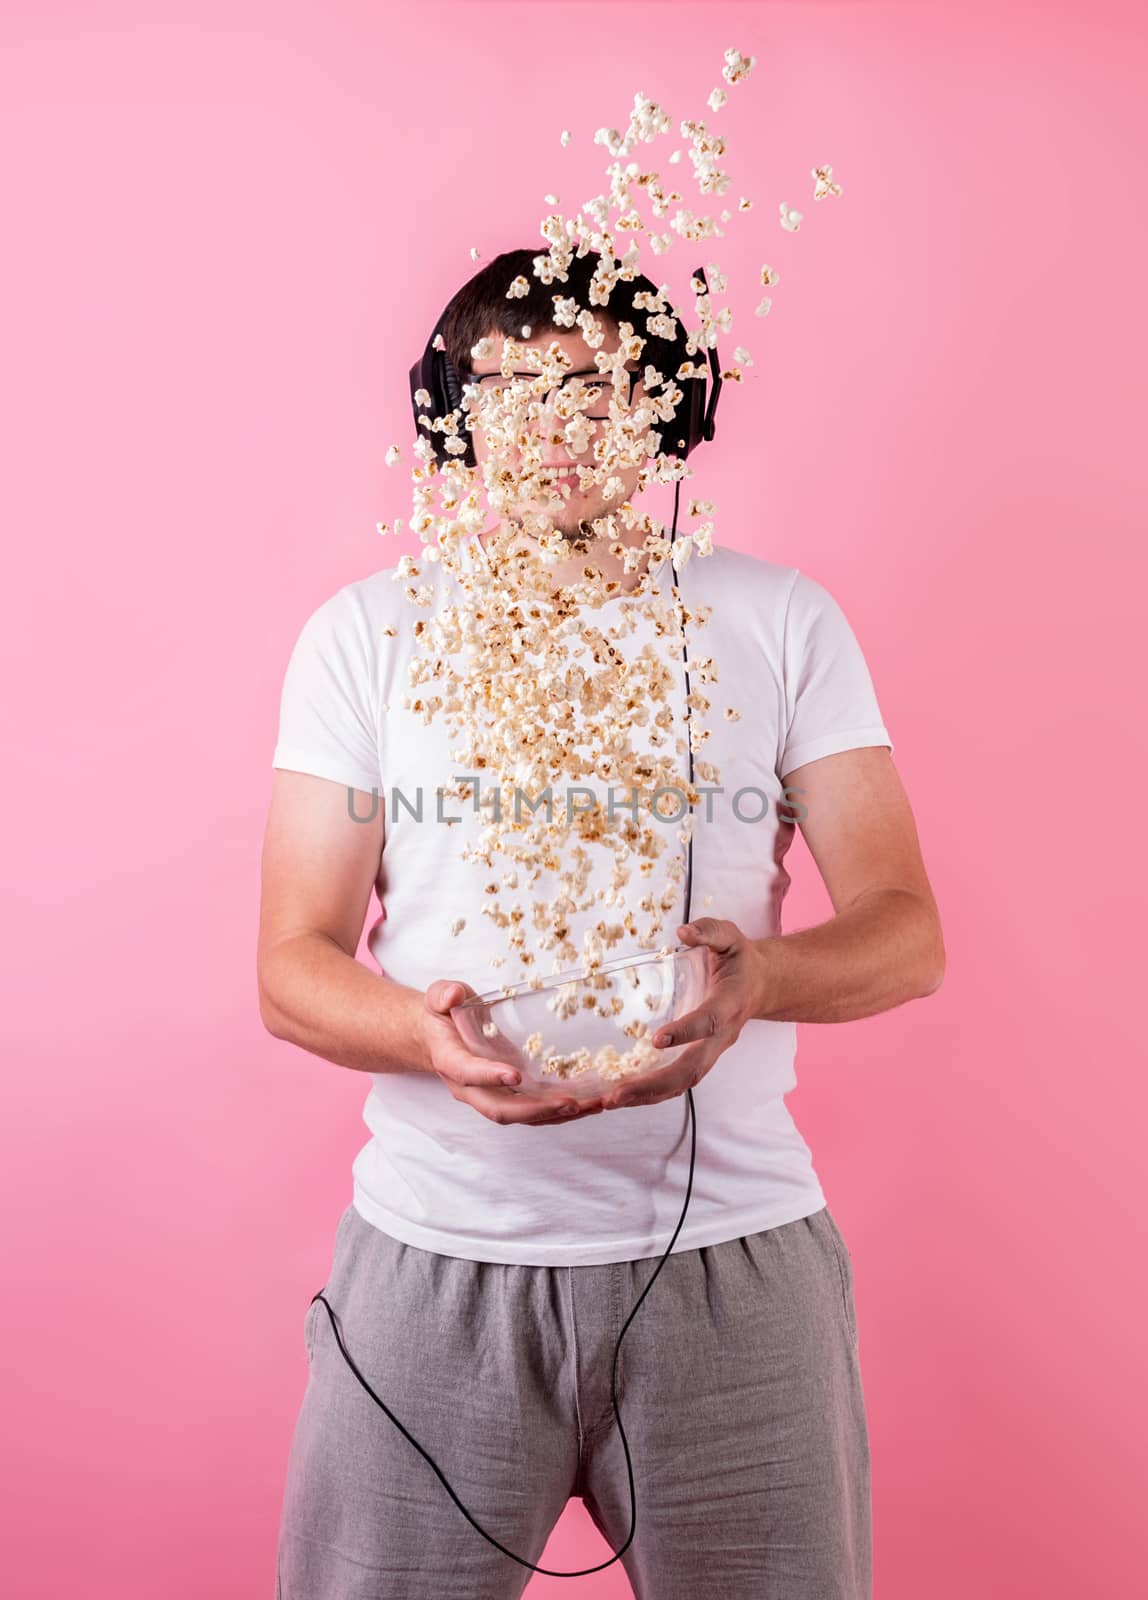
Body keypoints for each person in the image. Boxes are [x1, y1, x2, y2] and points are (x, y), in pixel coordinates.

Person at [260, 249, 945, 1599]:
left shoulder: (780, 622)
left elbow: (905, 932)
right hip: (433, 1261)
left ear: (668, 410)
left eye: (589, 386)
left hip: (733, 1266)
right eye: (505, 392)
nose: (547, 428)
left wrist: (758, 980)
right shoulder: (369, 637)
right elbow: (292, 967)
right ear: (451, 415)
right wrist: (421, 1030)